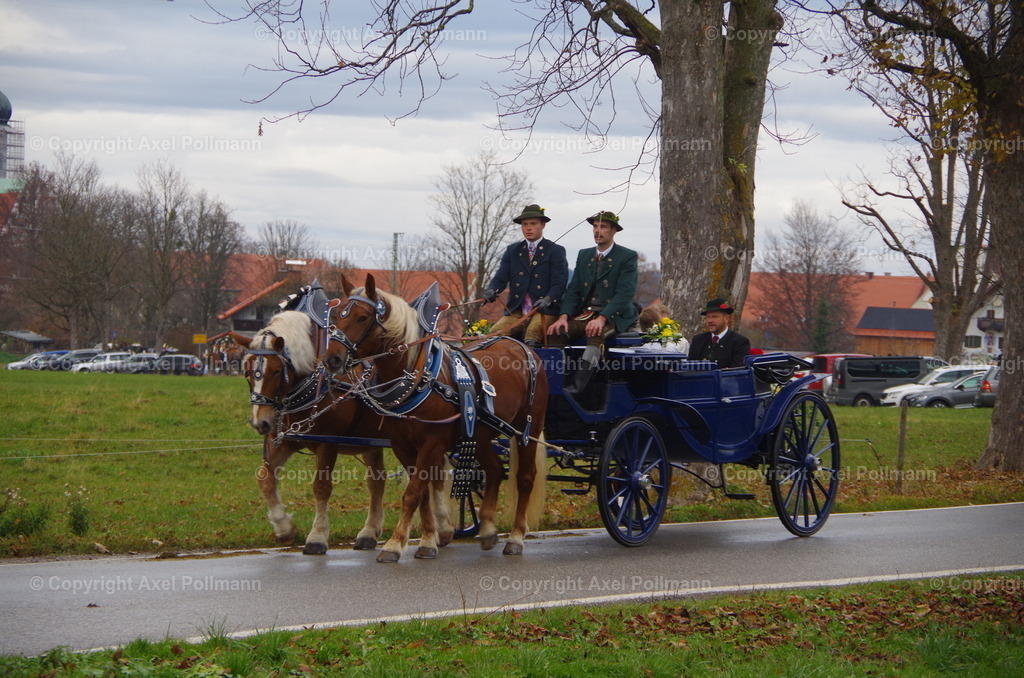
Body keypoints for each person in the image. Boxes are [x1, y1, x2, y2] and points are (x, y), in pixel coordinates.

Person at [547, 210, 639, 392]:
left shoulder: (627, 256)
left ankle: (576, 387)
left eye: (603, 227)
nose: (597, 231)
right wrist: (563, 316)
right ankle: (555, 382)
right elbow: (573, 290)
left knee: (595, 332)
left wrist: (602, 318)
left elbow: (625, 294)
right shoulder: (584, 255)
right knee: (557, 332)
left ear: (614, 230)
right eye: (595, 226)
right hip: (586, 313)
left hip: (614, 315)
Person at [482, 204, 568, 347]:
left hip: (544, 311)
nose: (528, 228)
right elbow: (501, 277)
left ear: (543, 225)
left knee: (532, 333)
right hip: (516, 310)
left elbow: (559, 284)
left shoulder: (555, 251)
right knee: (494, 334)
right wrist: (492, 290)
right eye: (525, 224)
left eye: (533, 224)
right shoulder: (513, 251)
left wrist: (548, 299)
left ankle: (531, 368)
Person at [688, 298, 751, 368]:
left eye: (715, 317)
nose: (710, 321)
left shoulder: (739, 342)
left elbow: (736, 371)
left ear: (726, 319)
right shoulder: (698, 340)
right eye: (708, 317)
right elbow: (690, 367)